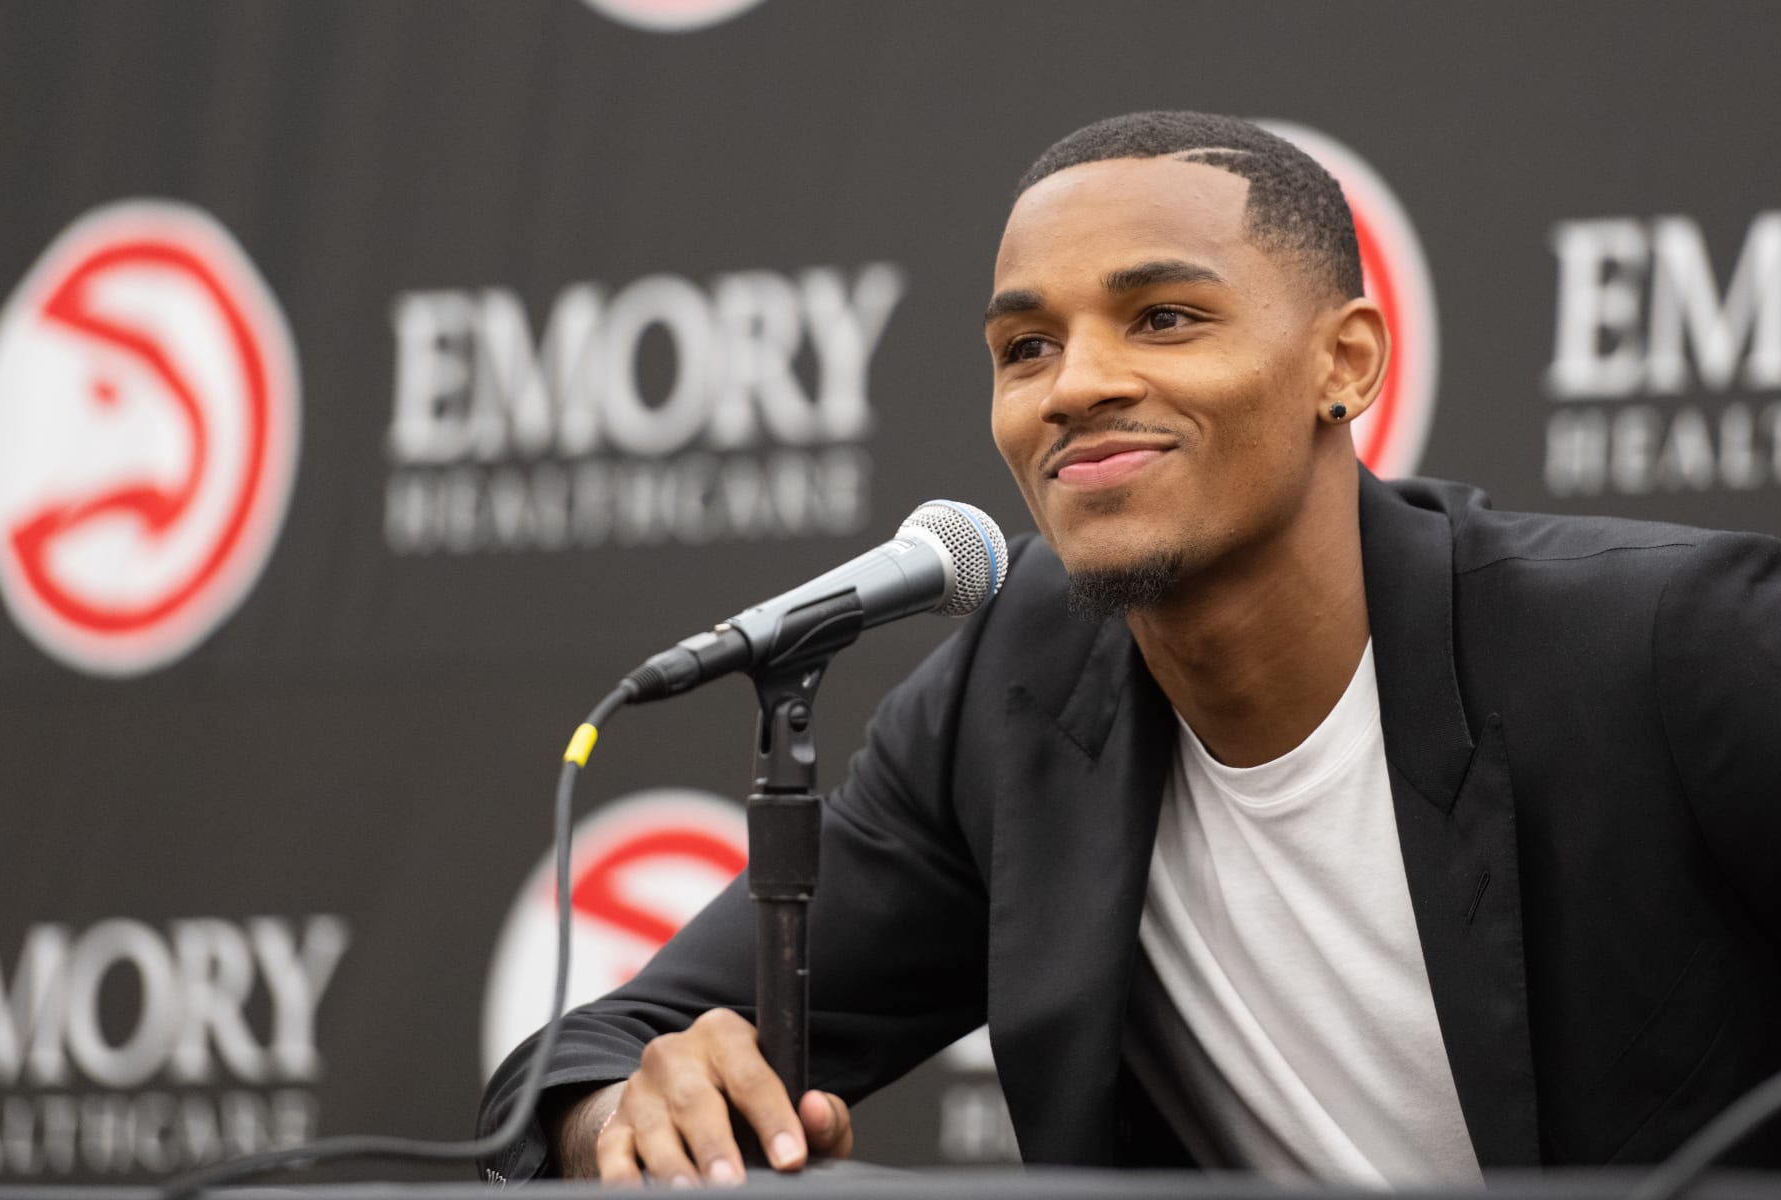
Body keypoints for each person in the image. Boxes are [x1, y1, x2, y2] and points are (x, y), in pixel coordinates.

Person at [478, 111, 1781, 1186]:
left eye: (1163, 318)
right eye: (1025, 346)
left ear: (1348, 360)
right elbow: (597, 1053)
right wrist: (632, 1114)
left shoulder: (1669, 645)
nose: (1074, 384)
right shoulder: (1012, 696)